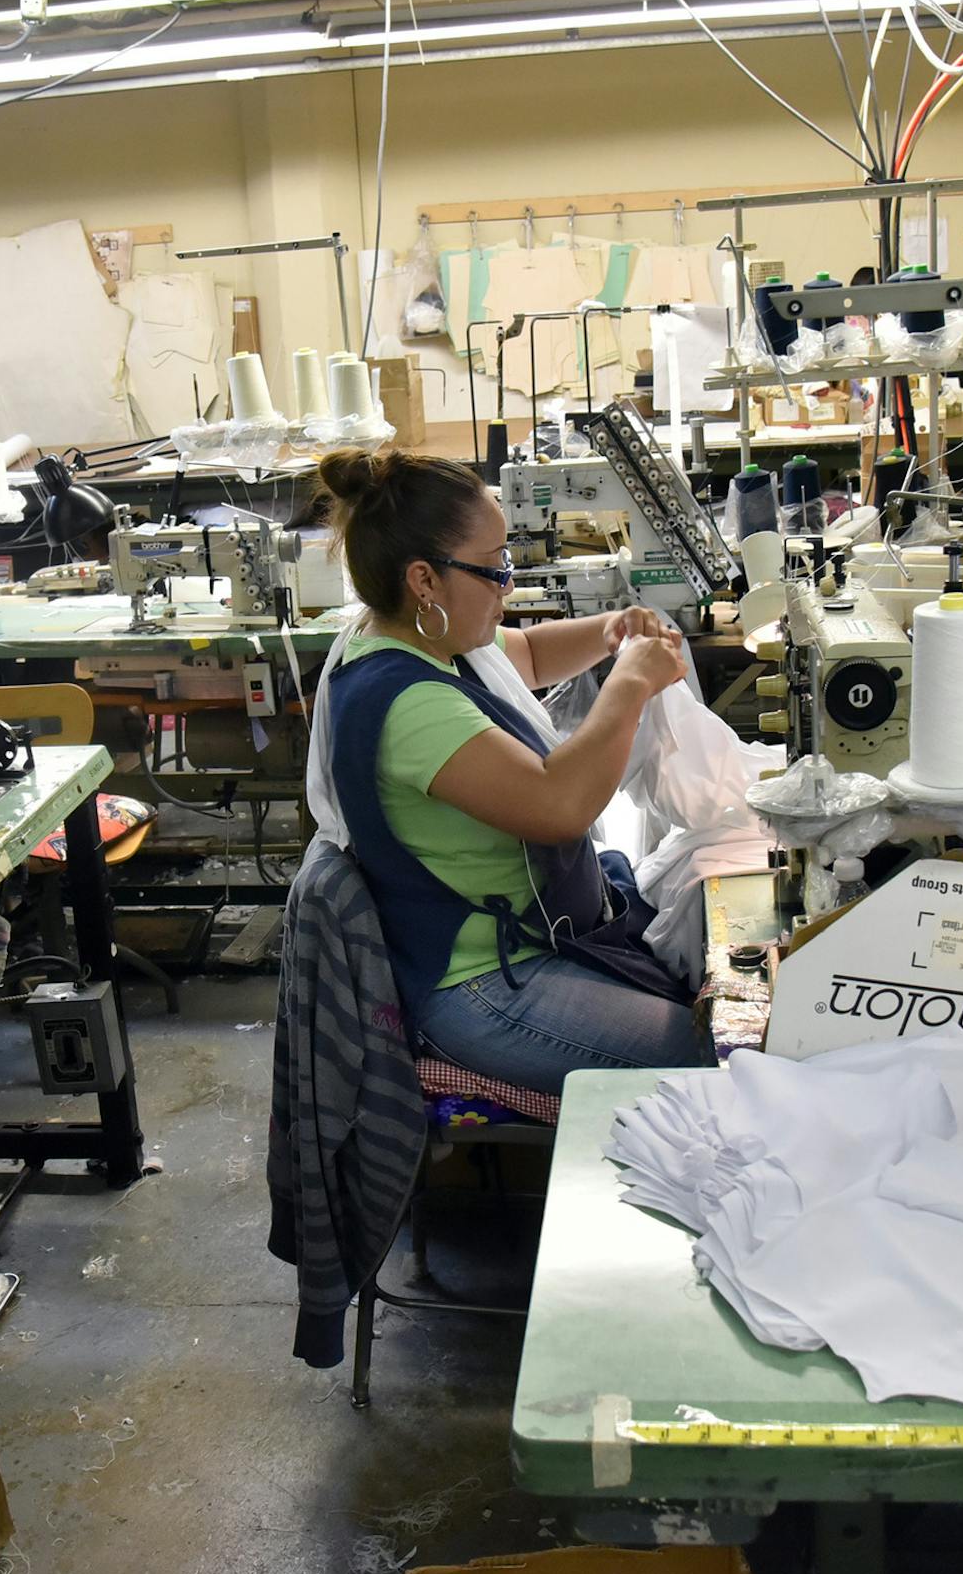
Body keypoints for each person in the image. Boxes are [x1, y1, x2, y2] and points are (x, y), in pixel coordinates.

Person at [301, 447, 708, 1094]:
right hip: (485, 985)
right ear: (424, 581)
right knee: (712, 1056)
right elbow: (560, 805)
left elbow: (529, 654)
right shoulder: (405, 702)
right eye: (494, 569)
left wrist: (612, 630)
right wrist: (628, 683)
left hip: (531, 937)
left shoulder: (422, 637)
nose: (509, 585)